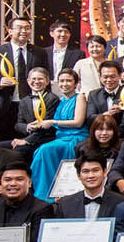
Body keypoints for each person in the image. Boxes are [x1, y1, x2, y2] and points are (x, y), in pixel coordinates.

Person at [29, 69, 89, 200]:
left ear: (75, 83)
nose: (64, 84)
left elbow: (78, 122)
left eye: (68, 81)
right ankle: (45, 190)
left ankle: (45, 195)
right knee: (40, 150)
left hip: (75, 137)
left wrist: (53, 122)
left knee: (44, 150)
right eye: (61, 81)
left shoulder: (80, 97)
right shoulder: (61, 100)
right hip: (60, 138)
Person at [0, 15, 48, 138]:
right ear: (9, 31)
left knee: (29, 139)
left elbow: (46, 76)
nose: (24, 31)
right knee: (5, 139)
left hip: (31, 104)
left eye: (27, 28)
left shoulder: (39, 52)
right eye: (19, 28)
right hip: (6, 104)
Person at [11, 67, 59, 157]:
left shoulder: (52, 99)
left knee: (18, 151)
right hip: (28, 136)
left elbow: (46, 126)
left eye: (40, 79)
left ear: (47, 81)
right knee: (0, 147)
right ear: (28, 81)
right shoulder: (24, 100)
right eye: (34, 79)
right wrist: (28, 127)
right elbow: (18, 124)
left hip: (46, 138)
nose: (36, 82)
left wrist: (26, 141)